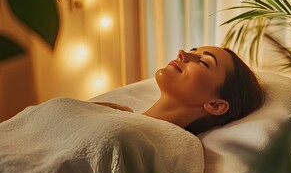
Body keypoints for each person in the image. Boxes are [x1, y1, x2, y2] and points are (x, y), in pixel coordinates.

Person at [96, 46, 265, 135]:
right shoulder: (110, 111)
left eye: (204, 62)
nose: (182, 54)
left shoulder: (179, 149)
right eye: (192, 50)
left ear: (215, 105)